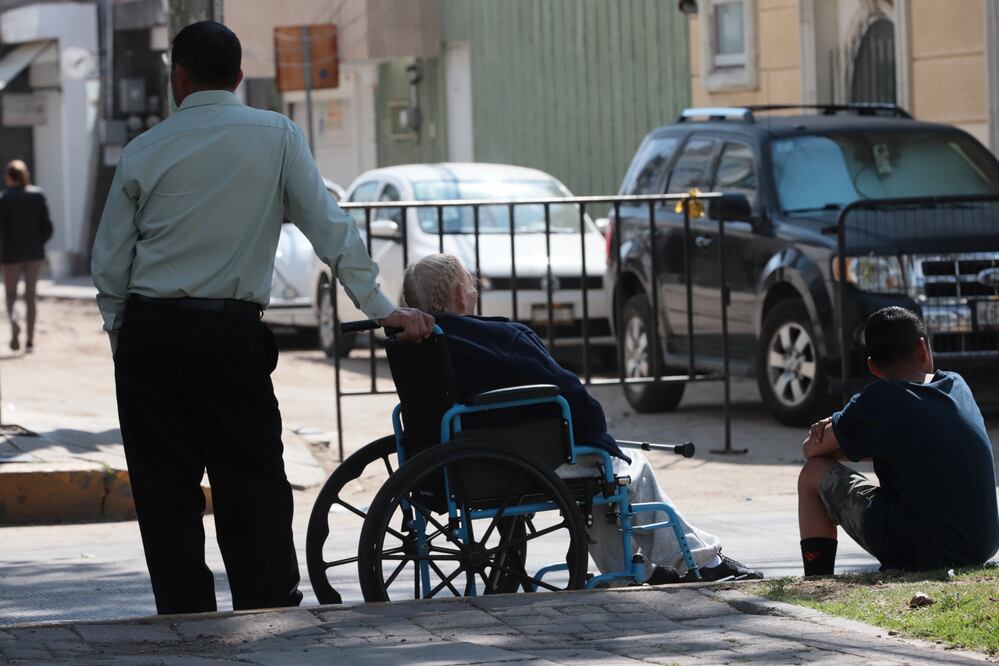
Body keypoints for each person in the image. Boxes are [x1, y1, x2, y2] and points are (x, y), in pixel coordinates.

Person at [91, 21, 433, 615]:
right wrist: (380, 309)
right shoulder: (277, 135)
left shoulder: (144, 150)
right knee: (250, 474)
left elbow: (108, 265)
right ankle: (267, 604)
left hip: (151, 335)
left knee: (164, 487)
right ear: (240, 77)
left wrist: (124, 336)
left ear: (178, 76)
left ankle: (184, 613)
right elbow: (331, 229)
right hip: (229, 334)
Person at [401, 253, 761, 583]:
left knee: (601, 468)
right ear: (462, 295)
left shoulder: (416, 348)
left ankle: (630, 572)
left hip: (451, 465)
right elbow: (570, 394)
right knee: (624, 466)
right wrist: (595, 430)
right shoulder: (498, 338)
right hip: (517, 464)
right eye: (473, 287)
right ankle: (701, 562)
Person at [798, 306, 999, 575]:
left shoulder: (879, 398)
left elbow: (811, 450)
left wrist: (836, 429)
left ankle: (817, 576)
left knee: (813, 473)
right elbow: (918, 445)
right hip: (981, 545)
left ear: (872, 366)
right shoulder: (957, 385)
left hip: (924, 549)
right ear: (923, 349)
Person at [0, 160, 52, 352]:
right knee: (30, 298)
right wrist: (39, 243)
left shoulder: (4, 199)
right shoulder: (37, 195)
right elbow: (47, 227)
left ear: (8, 176)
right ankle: (30, 341)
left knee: (11, 297)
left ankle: (14, 323)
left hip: (10, 256)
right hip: (34, 254)